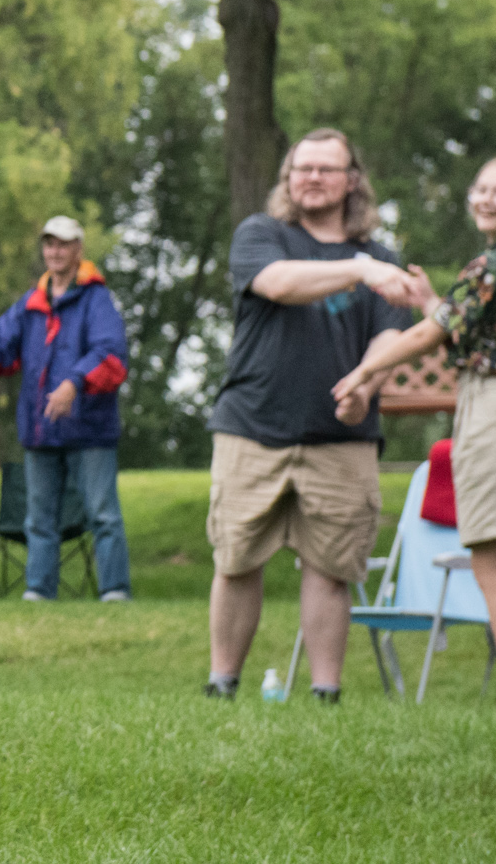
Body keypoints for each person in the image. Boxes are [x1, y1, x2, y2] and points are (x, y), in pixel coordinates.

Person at [331, 156, 496, 703]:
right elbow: (461, 329)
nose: (484, 199)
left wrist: (365, 372)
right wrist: (427, 301)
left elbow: (429, 337)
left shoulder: (492, 264)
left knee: (492, 564)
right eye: (480, 189)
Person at [204, 128, 421, 703]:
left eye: (327, 168)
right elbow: (278, 284)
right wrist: (359, 270)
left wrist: (364, 384)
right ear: (288, 177)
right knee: (236, 560)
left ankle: (327, 693)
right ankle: (222, 684)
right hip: (252, 427)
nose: (313, 178)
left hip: (341, 438)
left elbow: (390, 338)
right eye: (302, 168)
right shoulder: (262, 234)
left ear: (352, 180)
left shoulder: (384, 259)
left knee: (331, 569)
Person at [0, 217, 134, 603]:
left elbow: (111, 354)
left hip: (89, 428)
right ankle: (39, 592)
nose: (55, 251)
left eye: (63, 244)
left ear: (78, 249)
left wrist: (74, 382)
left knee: (103, 514)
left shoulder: (96, 299)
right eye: (49, 244)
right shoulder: (32, 303)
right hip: (41, 427)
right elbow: (3, 343)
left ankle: (115, 592)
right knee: (39, 518)